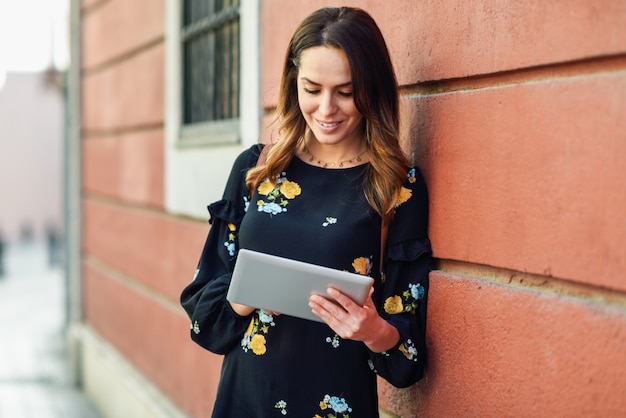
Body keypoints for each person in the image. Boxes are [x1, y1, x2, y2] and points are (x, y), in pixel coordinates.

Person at [181, 6, 432, 417]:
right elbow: (201, 308)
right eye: (312, 89)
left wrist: (374, 331)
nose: (326, 108)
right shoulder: (256, 169)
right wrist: (245, 299)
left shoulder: (398, 187)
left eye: (346, 92)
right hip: (245, 401)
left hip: (338, 402)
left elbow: (409, 357)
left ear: (373, 89)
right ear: (292, 84)